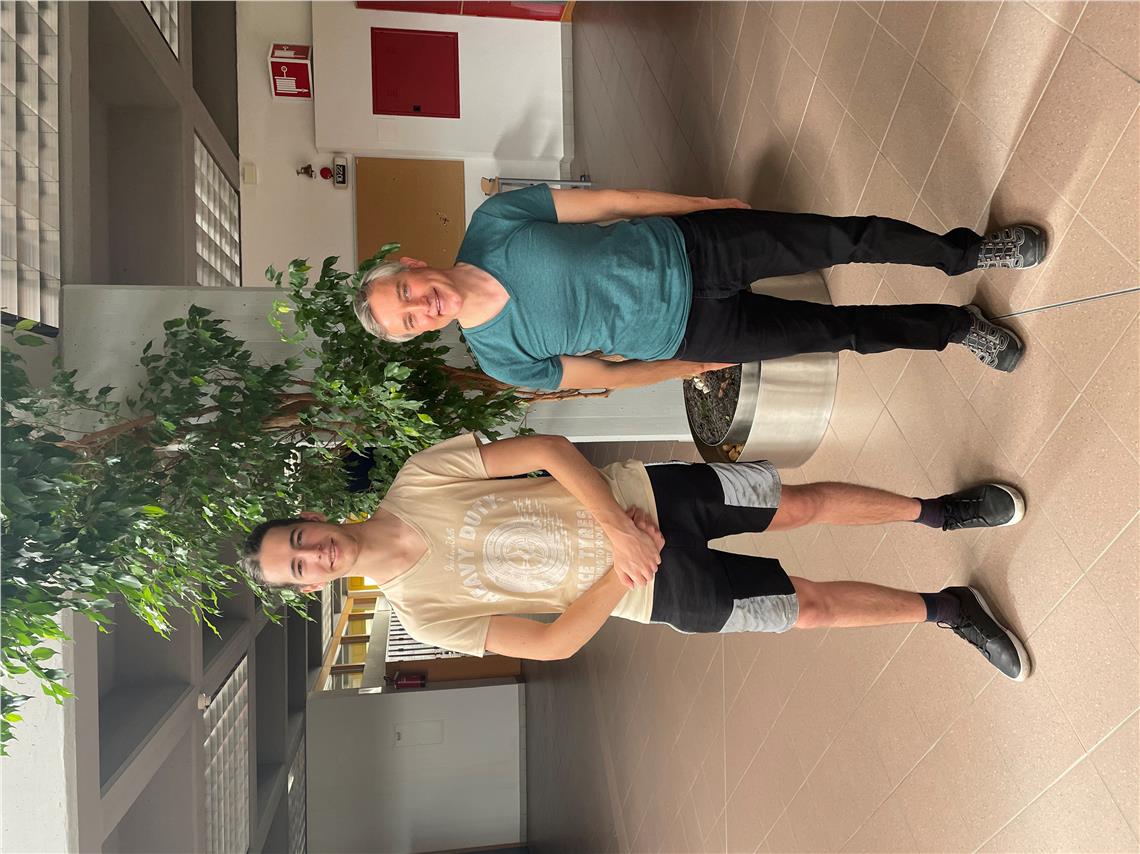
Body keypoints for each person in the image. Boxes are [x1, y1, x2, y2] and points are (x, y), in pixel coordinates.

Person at [241, 433, 1031, 681]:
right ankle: (947, 610)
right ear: (310, 588)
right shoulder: (422, 614)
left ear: (311, 518)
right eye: (299, 569)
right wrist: (625, 573)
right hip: (653, 592)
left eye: (299, 541)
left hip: (646, 497)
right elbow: (551, 643)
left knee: (800, 504)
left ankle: (941, 511)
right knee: (808, 608)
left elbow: (548, 450)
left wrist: (619, 531)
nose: (315, 556)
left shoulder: (419, 478)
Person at [351, 186, 1045, 391]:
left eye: (404, 294)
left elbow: (608, 202)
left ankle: (967, 252)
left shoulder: (494, 222)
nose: (420, 308)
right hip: (692, 334)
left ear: (411, 264)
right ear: (420, 335)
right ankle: (959, 328)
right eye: (409, 322)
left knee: (844, 237)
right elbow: (603, 374)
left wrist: (700, 205)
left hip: (694, 247)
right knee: (840, 333)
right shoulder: (499, 356)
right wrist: (687, 367)